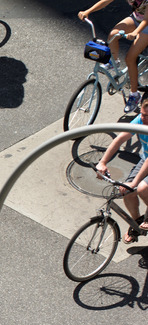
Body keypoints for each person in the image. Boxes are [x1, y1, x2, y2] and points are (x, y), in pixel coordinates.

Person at [95, 96, 148, 243]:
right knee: (127, 192)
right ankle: (136, 224)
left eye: (147, 116)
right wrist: (103, 162)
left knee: (142, 188)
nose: (142, 118)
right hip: (145, 158)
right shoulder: (140, 120)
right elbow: (119, 140)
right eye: (142, 114)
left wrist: (135, 182)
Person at [79, 0, 148, 112]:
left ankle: (134, 95)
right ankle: (114, 62)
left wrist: (135, 32)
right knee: (113, 35)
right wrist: (88, 11)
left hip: (146, 25)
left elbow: (146, 20)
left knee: (130, 58)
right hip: (135, 19)